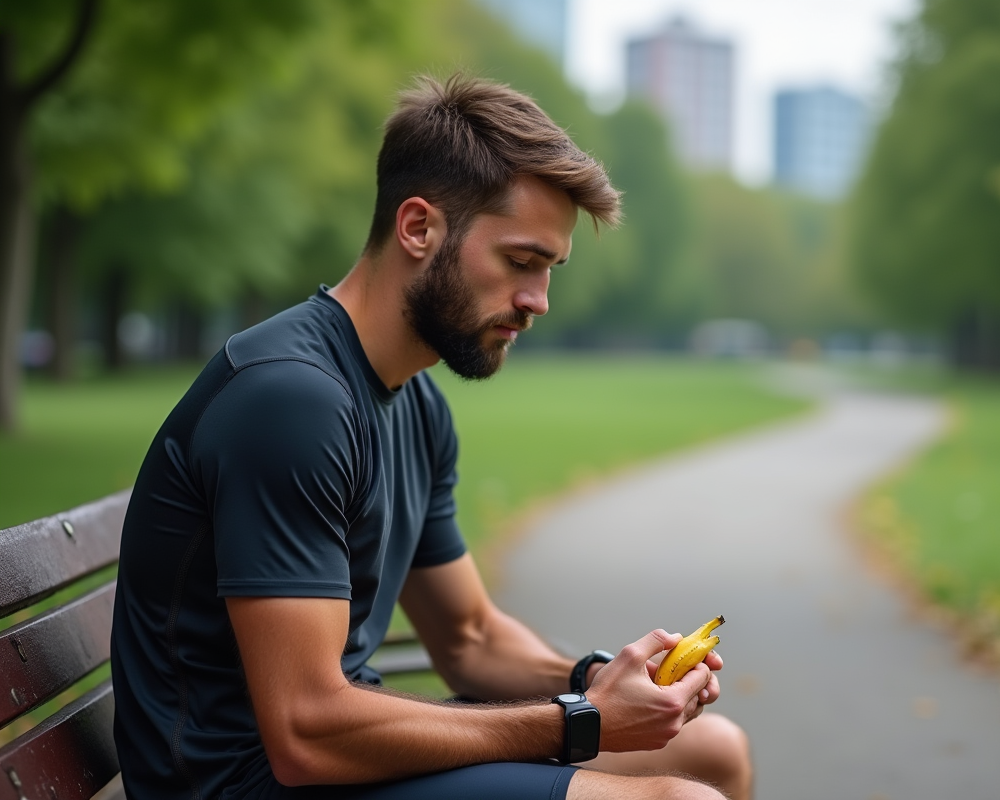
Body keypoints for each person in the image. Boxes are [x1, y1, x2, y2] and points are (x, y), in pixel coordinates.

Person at [110, 75, 753, 800]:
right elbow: (307, 730)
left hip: (330, 756)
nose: (538, 301)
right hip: (244, 783)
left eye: (549, 269)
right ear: (418, 228)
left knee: (716, 751)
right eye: (520, 262)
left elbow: (469, 637)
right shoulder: (290, 402)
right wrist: (579, 720)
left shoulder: (414, 404)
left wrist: (596, 680)